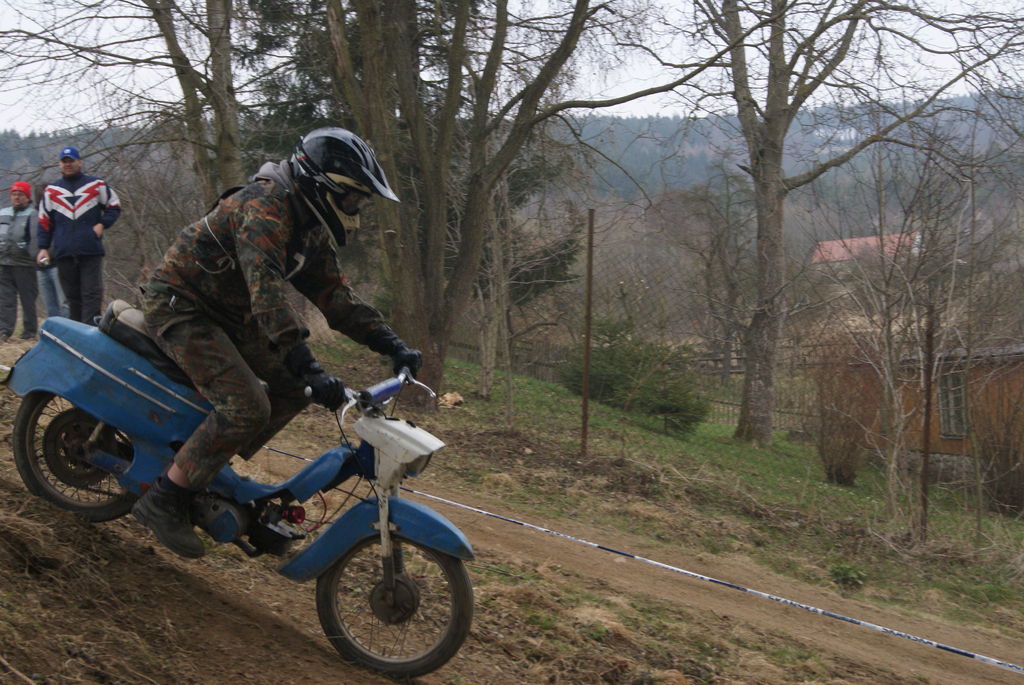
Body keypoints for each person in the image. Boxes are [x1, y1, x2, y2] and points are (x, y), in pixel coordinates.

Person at [131, 127, 421, 558]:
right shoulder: (264, 209)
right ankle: (164, 498)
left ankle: (206, 464)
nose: (355, 209)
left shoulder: (308, 226)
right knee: (248, 406)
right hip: (183, 307)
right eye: (352, 198)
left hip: (228, 315)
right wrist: (309, 365)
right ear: (323, 185)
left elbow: (335, 297)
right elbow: (266, 297)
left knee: (294, 388)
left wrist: (392, 345)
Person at [37, 146, 121, 325]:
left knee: (92, 293)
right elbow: (44, 221)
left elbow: (114, 206)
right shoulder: (51, 191)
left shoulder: (96, 185)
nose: (68, 164)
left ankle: (91, 331)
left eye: (71, 161)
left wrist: (102, 224)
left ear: (79, 162)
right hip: (63, 252)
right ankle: (76, 333)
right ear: (59, 164)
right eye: (64, 161)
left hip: (90, 249)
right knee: (71, 297)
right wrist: (43, 247)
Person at [0, 181, 40, 340]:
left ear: (27, 197)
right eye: (14, 194)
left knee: (28, 299)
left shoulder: (33, 214)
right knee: (5, 299)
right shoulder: (3, 213)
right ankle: (4, 331)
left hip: (25, 264)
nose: (17, 197)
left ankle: (29, 332)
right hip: (4, 262)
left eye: (20, 194)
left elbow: (36, 238)